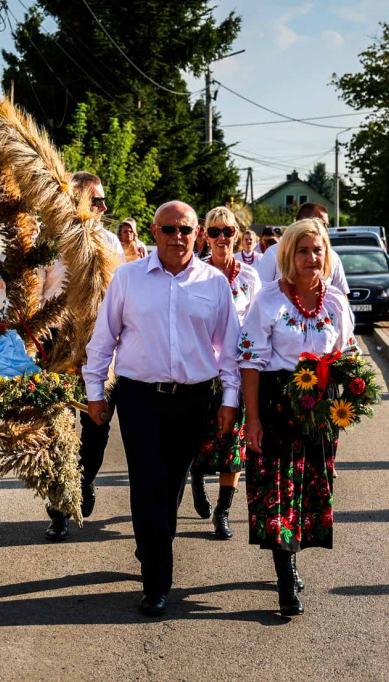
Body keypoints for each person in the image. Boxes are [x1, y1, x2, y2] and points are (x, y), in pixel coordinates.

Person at [84, 200, 240, 616]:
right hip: (139, 399)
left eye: (185, 230)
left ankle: (152, 543)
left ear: (198, 235)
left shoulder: (214, 283)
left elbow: (229, 350)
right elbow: (103, 340)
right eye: (169, 229)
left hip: (193, 400)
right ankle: (157, 580)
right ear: (154, 232)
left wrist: (228, 400)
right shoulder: (128, 278)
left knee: (169, 488)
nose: (177, 237)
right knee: (148, 484)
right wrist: (95, 392)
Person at [239, 219, 358, 618]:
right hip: (277, 407)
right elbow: (251, 363)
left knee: (307, 492)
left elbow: (346, 355)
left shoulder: (338, 303)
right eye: (303, 251)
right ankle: (286, 576)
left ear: (327, 255)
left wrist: (352, 390)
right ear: (289, 255)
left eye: (318, 250)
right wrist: (251, 419)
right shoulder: (269, 300)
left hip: (320, 411)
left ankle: (292, 559)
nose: (311, 258)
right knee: (278, 493)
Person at [42, 171, 124, 542]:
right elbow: (34, 294)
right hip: (56, 342)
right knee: (57, 430)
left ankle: (84, 478)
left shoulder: (109, 242)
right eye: (97, 200)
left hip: (99, 344)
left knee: (97, 429)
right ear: (76, 201)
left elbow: (121, 294)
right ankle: (58, 508)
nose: (104, 207)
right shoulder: (48, 240)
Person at [189, 206, 262, 539]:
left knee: (233, 444)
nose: (222, 238)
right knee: (200, 442)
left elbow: (260, 325)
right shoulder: (195, 274)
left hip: (238, 371)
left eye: (228, 231)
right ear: (205, 235)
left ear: (237, 234)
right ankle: (197, 479)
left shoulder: (250, 277)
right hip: (202, 371)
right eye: (214, 232)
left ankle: (223, 512)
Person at [255, 204, 350, 295]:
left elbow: (342, 294)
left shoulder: (332, 256)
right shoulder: (274, 253)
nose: (326, 229)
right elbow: (260, 290)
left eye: (326, 225)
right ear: (302, 222)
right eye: (322, 223)